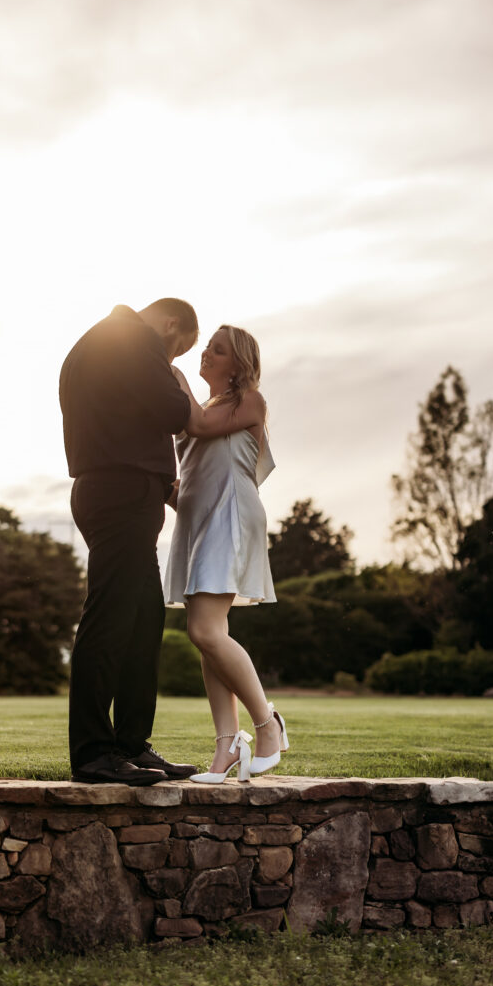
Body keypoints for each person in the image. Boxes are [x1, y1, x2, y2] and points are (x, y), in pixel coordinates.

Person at [59, 299, 200, 785]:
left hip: (117, 491)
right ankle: (94, 754)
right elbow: (171, 410)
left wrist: (165, 488)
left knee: (143, 620)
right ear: (170, 323)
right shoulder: (135, 338)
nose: (174, 361)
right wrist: (181, 391)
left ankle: (131, 745)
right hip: (120, 494)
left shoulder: (96, 345)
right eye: (178, 350)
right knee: (110, 620)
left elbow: (122, 420)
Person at [165, 325, 289, 782]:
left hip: (231, 519)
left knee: (204, 630)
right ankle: (227, 748)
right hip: (198, 523)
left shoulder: (249, 401)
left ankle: (266, 724)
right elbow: (194, 483)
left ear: (237, 364)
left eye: (217, 350)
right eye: (207, 348)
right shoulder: (206, 408)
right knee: (207, 636)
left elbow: (197, 425)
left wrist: (173, 375)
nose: (205, 354)